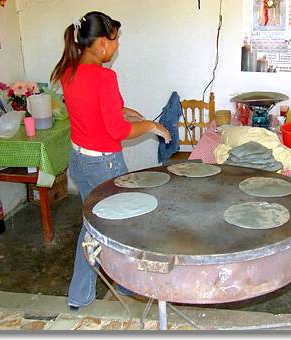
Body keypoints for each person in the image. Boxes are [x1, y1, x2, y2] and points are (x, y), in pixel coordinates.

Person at [50, 11, 171, 310]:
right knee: (122, 224)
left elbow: (94, 110)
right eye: (116, 40)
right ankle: (109, 287)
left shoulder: (68, 71)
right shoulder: (105, 77)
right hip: (104, 166)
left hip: (79, 160)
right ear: (102, 43)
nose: (117, 47)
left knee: (100, 225)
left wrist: (124, 109)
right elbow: (118, 131)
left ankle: (103, 288)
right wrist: (154, 127)